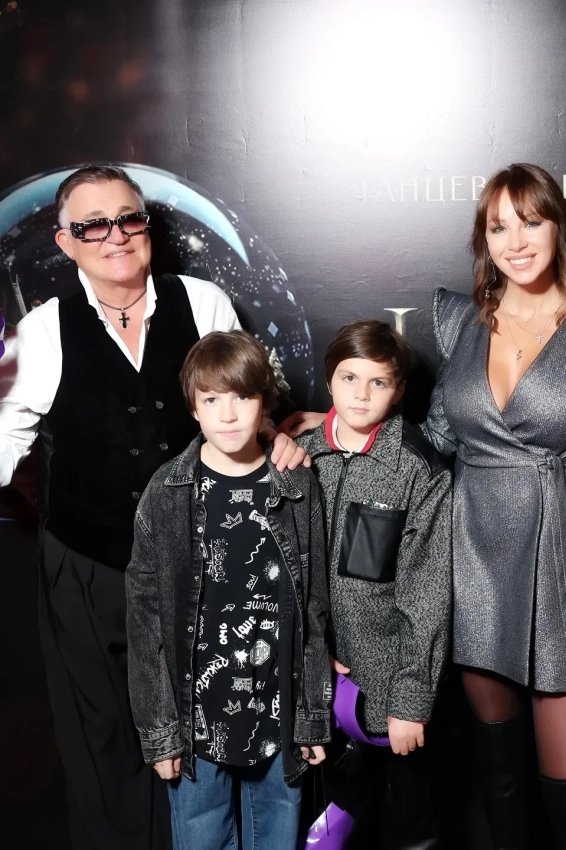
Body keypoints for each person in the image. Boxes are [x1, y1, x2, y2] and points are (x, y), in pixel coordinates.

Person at [287, 163, 566, 849]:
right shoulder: (462, 323)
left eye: (531, 222)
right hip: (474, 565)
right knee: (498, 781)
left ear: (559, 229)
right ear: (483, 239)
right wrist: (330, 431)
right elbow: (432, 443)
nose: (516, 241)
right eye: (498, 227)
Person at [0, 165, 306, 850]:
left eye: (128, 218)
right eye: (92, 226)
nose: (115, 235)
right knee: (102, 744)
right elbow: (3, 440)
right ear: (66, 242)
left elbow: (245, 405)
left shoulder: (203, 302)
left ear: (147, 226)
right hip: (86, 566)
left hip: (199, 565)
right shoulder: (42, 330)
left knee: (198, 743)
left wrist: (278, 437)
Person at [126, 330, 331, 850]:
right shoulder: (167, 493)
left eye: (242, 396)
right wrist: (161, 732)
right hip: (196, 719)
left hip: (277, 713)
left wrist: (310, 717)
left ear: (264, 402)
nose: (228, 414)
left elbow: (313, 609)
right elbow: (146, 622)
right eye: (212, 400)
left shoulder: (297, 485)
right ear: (193, 407)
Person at [296, 320, 452, 850]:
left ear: (399, 390)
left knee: (409, 824)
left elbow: (427, 595)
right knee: (326, 826)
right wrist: (307, 656)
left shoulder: (417, 468)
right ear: (329, 380)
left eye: (378, 382)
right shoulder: (299, 458)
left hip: (388, 695)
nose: (361, 394)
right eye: (349, 378)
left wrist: (410, 700)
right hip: (314, 687)